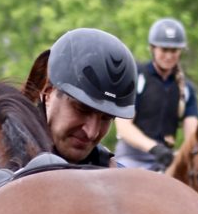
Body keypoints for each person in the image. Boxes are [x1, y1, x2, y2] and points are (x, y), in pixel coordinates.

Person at [39, 27, 137, 167]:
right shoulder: (4, 165)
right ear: (47, 95)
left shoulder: (115, 176)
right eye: (82, 109)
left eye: (106, 118)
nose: (92, 133)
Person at [114, 17, 198, 171]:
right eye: (164, 49)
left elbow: (192, 135)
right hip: (132, 157)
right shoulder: (137, 78)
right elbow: (123, 127)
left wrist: (184, 154)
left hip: (166, 160)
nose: (168, 56)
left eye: (173, 50)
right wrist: (154, 148)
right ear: (153, 48)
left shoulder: (186, 89)